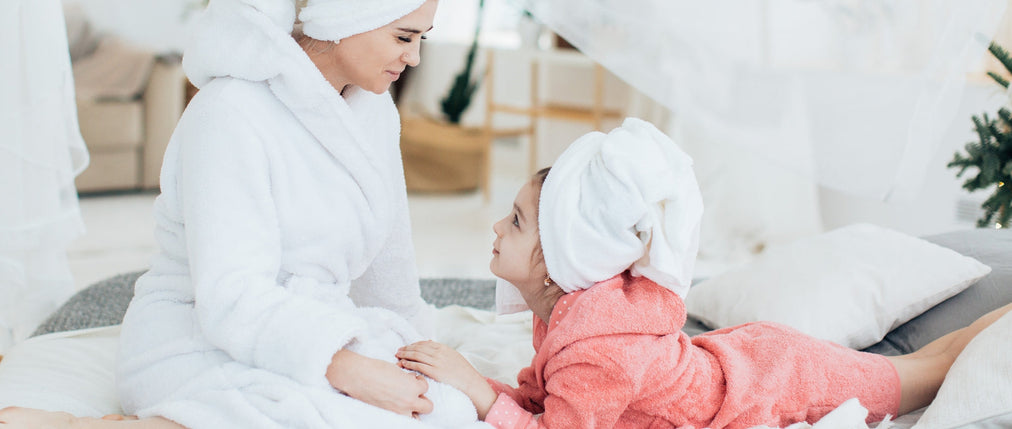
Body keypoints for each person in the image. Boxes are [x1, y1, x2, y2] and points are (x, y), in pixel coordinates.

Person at [0, 0, 481, 428]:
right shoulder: (231, 112)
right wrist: (347, 369)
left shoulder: (372, 112)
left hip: (311, 330)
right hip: (198, 338)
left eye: (422, 41)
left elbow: (387, 270)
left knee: (444, 411)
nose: (413, 58)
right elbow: (231, 296)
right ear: (343, 16)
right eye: (403, 37)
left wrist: (422, 355)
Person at [396, 117, 1012, 429]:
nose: (499, 228)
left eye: (518, 221)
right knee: (931, 358)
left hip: (779, 381)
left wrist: (478, 390)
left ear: (562, 262)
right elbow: (542, 402)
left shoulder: (598, 349)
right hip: (747, 361)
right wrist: (479, 385)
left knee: (931, 369)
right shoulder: (572, 313)